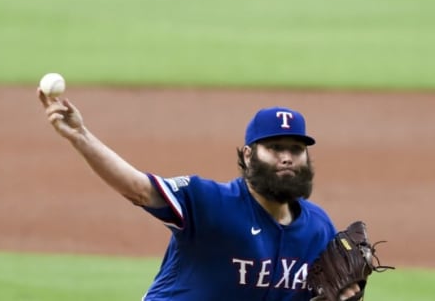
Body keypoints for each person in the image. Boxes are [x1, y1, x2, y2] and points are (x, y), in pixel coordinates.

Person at [38, 89, 360, 300]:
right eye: (274, 148)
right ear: (248, 155)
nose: (287, 157)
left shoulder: (319, 229)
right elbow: (137, 188)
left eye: (295, 149)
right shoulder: (210, 202)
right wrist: (80, 136)